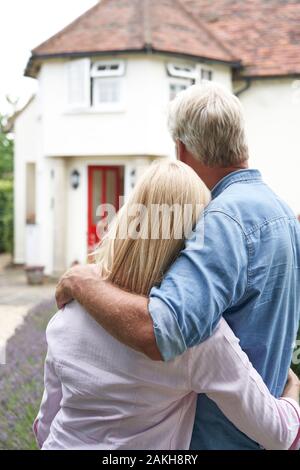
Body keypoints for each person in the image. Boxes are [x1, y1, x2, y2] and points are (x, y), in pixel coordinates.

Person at [56, 82, 300, 450]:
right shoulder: (283, 214)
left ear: (182, 150)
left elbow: (160, 331)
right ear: (241, 142)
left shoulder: (221, 219)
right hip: (265, 428)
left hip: (215, 440)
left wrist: (81, 282)